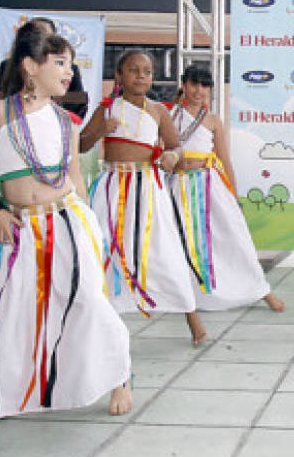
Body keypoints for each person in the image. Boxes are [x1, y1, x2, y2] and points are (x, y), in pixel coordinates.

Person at [0, 19, 131, 418]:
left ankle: (118, 377)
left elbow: (74, 176)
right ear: (30, 66)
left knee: (89, 300)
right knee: (16, 310)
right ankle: (13, 391)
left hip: (67, 222)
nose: (68, 72)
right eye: (59, 63)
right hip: (20, 228)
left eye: (70, 64)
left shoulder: (66, 121)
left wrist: (91, 228)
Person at [80, 50, 203, 342]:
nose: (140, 76)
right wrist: (100, 131)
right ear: (119, 76)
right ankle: (97, 320)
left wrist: (172, 156)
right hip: (112, 189)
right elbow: (82, 145)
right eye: (133, 70)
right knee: (104, 249)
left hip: (148, 189)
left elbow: (176, 148)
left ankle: (193, 319)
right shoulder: (106, 109)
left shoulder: (159, 110)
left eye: (146, 71)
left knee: (164, 249)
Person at [167, 64, 286, 316]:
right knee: (183, 242)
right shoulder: (168, 115)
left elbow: (224, 158)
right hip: (178, 185)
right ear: (184, 84)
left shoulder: (212, 120)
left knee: (234, 236)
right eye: (194, 84)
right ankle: (191, 295)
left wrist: (234, 196)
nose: (199, 90)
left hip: (210, 185)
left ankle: (261, 290)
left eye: (205, 85)